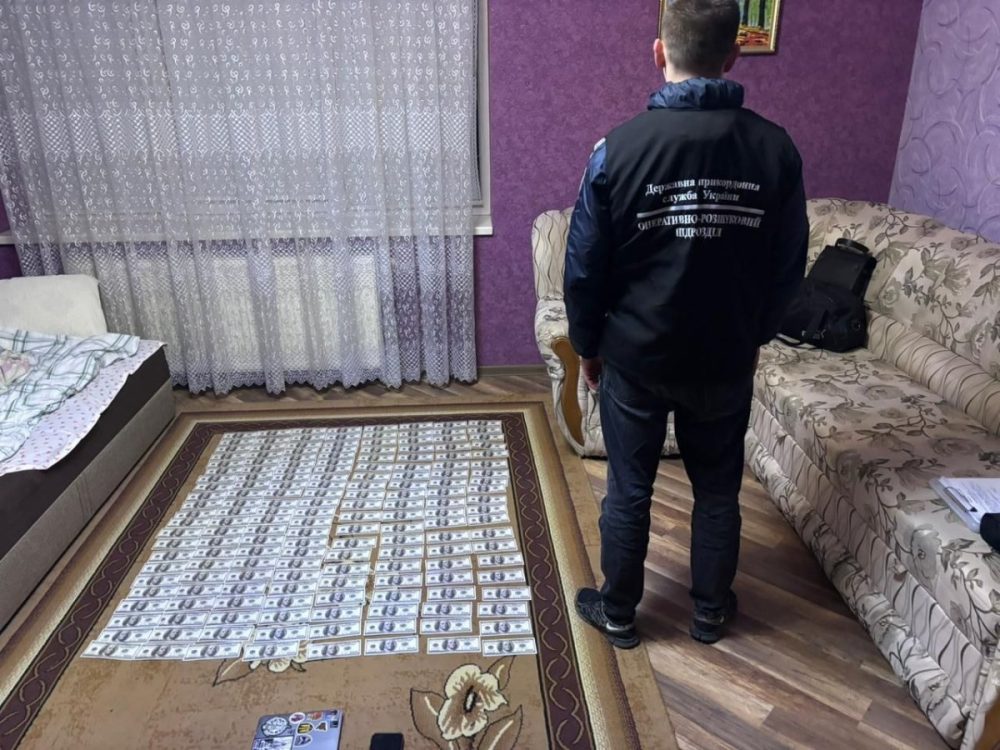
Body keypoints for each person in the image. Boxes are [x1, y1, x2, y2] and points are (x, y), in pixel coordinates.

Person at [566, 0, 807, 649]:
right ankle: (709, 612)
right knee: (718, 491)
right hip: (725, 357)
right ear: (734, 55)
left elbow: (584, 267)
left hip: (636, 357)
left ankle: (619, 612)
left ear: (659, 52)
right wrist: (753, 335)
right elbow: (788, 268)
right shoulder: (776, 150)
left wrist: (587, 345)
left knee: (629, 489)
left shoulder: (615, 151)